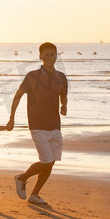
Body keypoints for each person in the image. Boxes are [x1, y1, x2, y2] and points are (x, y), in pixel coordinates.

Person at [7, 42, 68, 205]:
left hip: (55, 125)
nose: (49, 57)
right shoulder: (32, 76)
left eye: (52, 54)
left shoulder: (61, 77)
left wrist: (64, 106)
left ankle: (34, 194)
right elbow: (18, 95)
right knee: (46, 160)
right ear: (40, 57)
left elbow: (63, 94)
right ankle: (22, 177)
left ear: (57, 56)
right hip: (37, 124)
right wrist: (12, 117)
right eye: (46, 55)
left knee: (51, 162)